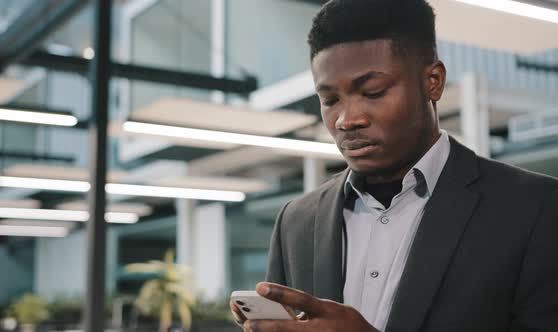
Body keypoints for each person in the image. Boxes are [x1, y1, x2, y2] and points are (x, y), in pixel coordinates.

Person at [230, 0, 558, 331]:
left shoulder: (537, 209)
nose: (347, 119)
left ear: (434, 81)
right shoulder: (295, 222)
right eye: (330, 100)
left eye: (372, 92)